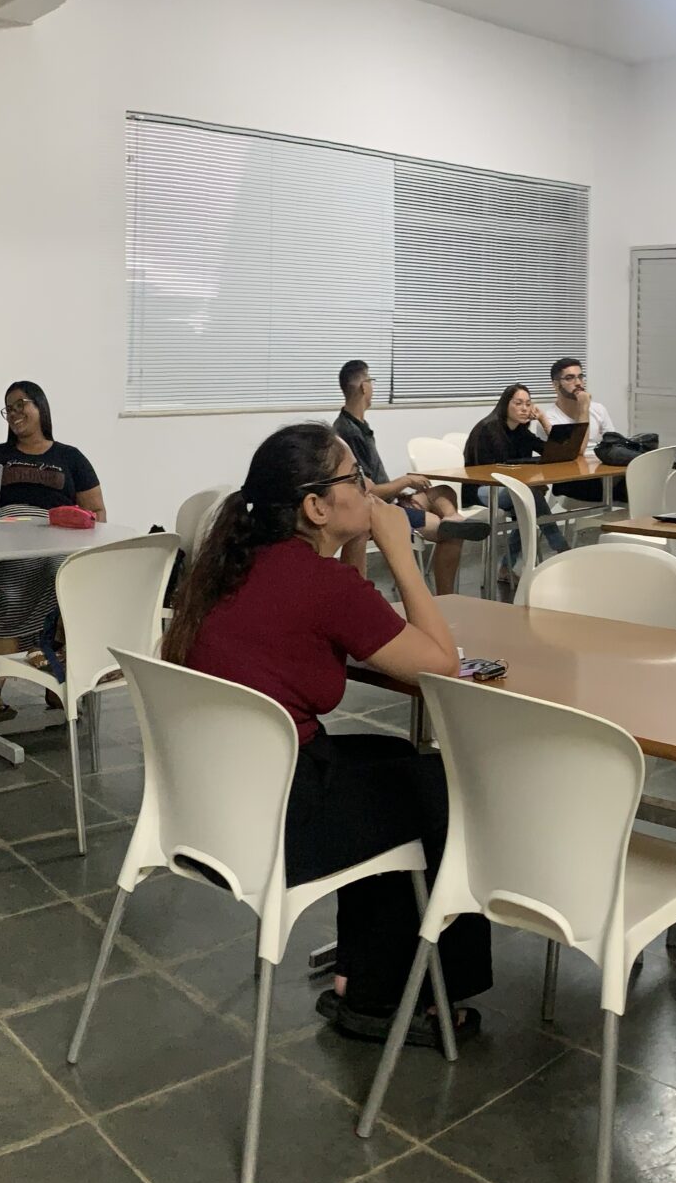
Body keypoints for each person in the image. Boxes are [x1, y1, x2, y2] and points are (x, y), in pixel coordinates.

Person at [163, 423, 492, 1046]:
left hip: (212, 800)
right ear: (316, 507)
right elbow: (442, 663)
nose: (371, 491)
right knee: (440, 789)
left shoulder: (238, 563)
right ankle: (398, 998)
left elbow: (346, 607)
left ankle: (361, 977)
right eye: (356, 480)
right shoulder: (322, 587)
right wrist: (401, 553)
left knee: (398, 760)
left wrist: (358, 543)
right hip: (280, 816)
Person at [0, 381, 105, 715]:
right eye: (8, 408)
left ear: (40, 406)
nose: (15, 413)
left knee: (64, 576)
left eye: (21, 404)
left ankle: (59, 680)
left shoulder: (70, 457)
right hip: (6, 541)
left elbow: (96, 510)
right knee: (7, 587)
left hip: (57, 537)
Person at [330, 360, 488, 595]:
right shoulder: (348, 432)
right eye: (371, 381)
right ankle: (446, 595)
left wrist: (401, 488)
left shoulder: (359, 426)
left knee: (444, 492)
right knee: (450, 533)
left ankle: (453, 519)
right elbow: (367, 491)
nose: (373, 387)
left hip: (392, 499)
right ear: (364, 387)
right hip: (381, 507)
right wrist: (405, 481)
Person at [463, 383, 570, 572]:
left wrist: (543, 420)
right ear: (506, 404)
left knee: (527, 507)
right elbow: (486, 472)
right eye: (518, 403)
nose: (524, 408)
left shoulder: (520, 431)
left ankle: (506, 568)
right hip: (481, 490)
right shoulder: (488, 429)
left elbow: (555, 452)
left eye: (528, 404)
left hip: (512, 489)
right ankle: (561, 547)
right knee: (529, 497)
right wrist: (527, 484)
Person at [539, 357, 617, 504]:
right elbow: (577, 451)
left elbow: (613, 443)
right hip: (572, 479)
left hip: (602, 473)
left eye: (580, 377)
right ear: (556, 385)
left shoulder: (599, 409)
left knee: (637, 480)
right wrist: (584, 409)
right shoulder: (550, 419)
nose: (578, 383)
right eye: (570, 378)